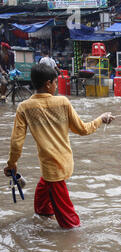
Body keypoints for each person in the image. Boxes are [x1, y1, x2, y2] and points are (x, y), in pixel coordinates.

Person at [3, 64, 114, 229]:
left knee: (71, 225)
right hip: (60, 164)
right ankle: (45, 220)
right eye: (55, 82)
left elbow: (16, 142)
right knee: (44, 208)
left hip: (52, 168)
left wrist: (12, 163)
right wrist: (101, 118)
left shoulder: (24, 107)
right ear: (48, 84)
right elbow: (83, 129)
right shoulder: (62, 102)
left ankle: (68, 246)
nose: (56, 86)